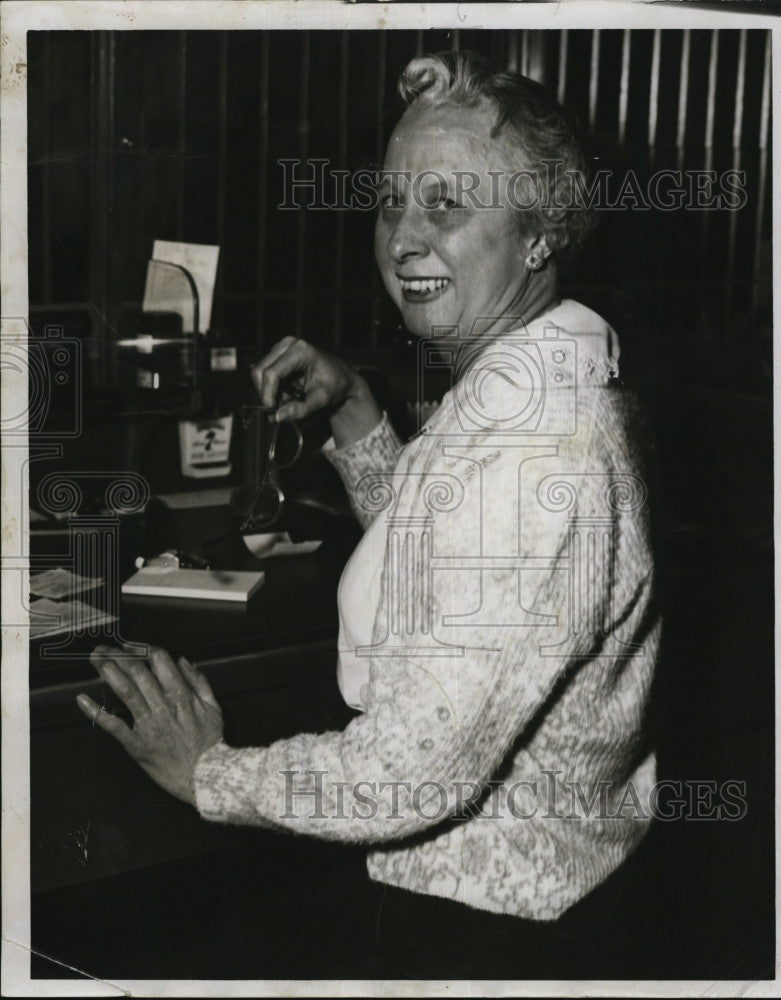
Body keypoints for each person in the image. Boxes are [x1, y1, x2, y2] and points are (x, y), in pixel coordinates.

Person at [77, 51, 661, 977]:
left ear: (541, 232)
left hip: (486, 934)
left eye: (445, 205)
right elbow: (446, 561)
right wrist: (357, 418)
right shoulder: (539, 375)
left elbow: (411, 774)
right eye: (391, 201)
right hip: (553, 900)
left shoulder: (532, 443)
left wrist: (210, 773)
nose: (400, 239)